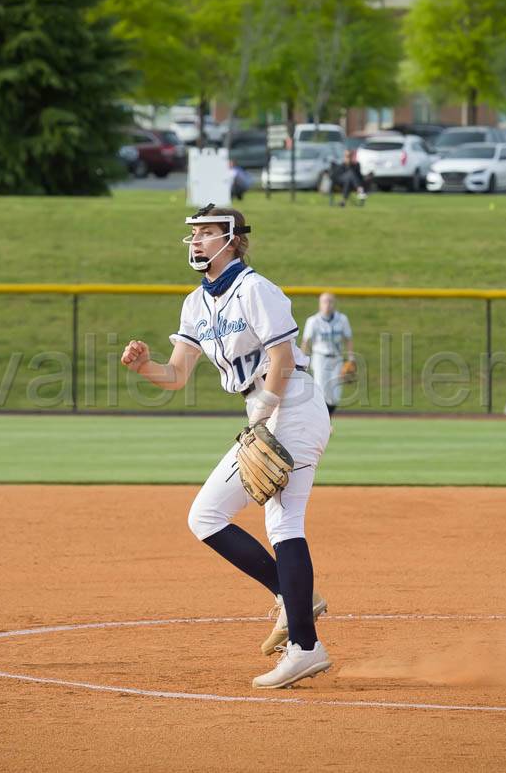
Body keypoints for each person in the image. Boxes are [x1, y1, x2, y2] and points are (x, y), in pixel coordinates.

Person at [120, 204, 333, 688]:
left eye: (208, 233)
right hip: (267, 409)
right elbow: (176, 376)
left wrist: (266, 406)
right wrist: (144, 367)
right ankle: (293, 601)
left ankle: (304, 643)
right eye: (193, 234)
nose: (197, 241)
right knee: (206, 516)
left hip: (292, 403)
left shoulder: (255, 288)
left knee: (283, 521)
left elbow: (281, 356)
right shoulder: (196, 304)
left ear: (232, 240)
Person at [301, 293, 354, 417]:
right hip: (320, 358)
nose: (327, 304)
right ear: (320, 304)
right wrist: (302, 361)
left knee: (335, 394)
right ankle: (324, 421)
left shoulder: (342, 319)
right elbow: (306, 341)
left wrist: (351, 358)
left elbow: (348, 338)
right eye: (324, 301)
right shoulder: (313, 321)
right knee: (321, 390)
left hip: (337, 358)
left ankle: (326, 419)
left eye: (330, 301)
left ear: (334, 304)